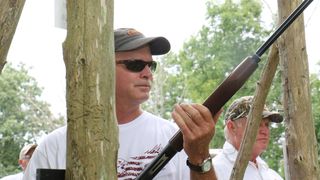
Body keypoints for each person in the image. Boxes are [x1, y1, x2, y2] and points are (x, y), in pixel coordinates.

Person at [23, 28, 220, 180]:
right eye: (135, 65)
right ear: (101, 68)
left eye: (151, 65)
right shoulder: (54, 146)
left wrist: (200, 156)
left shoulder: (174, 137)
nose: (147, 73)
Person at [212, 96, 283, 180]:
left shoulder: (273, 175)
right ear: (232, 127)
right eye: (257, 124)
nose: (265, 131)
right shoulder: (214, 171)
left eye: (267, 125)